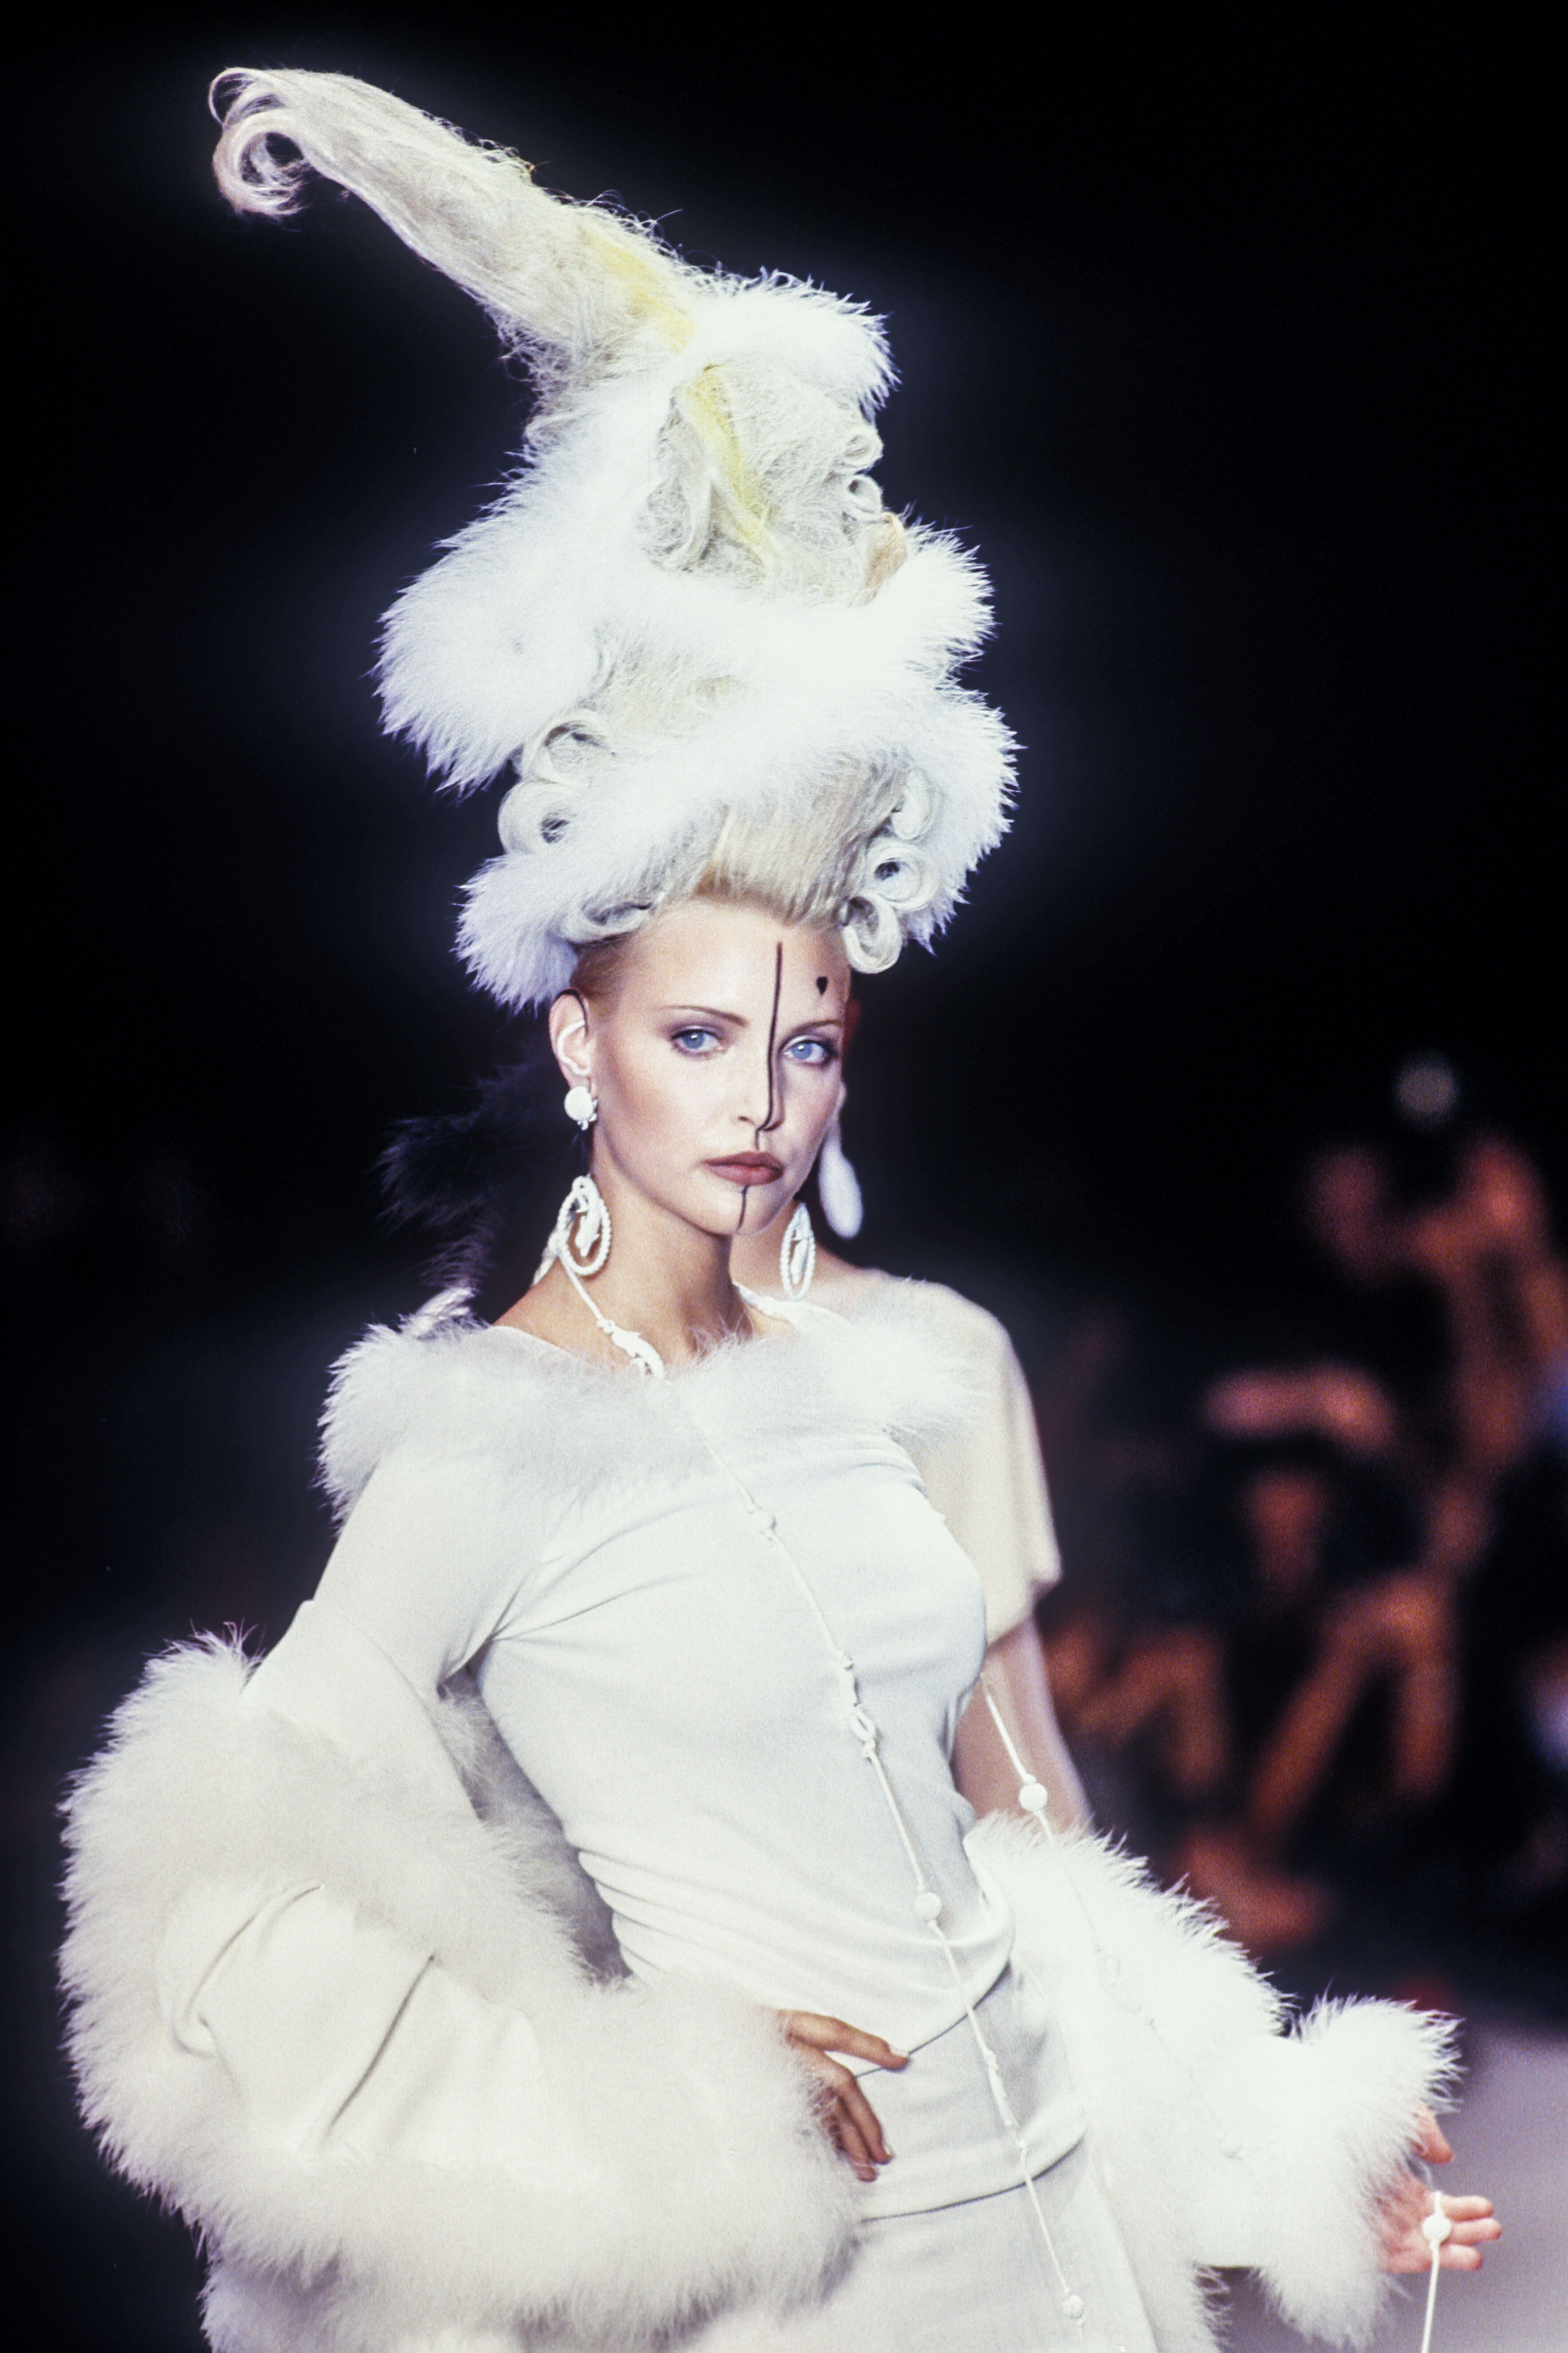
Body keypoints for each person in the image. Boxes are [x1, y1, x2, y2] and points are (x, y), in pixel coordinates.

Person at [61, 69, 1497, 2353]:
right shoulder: (489, 1445)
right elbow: (213, 1919)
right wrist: (634, 2107)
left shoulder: (874, 1380)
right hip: (820, 2290)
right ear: (580, 1041)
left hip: (1072, 2254)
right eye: (700, 1032)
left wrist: (1260, 2143)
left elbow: (1014, 1847)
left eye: (807, 1036)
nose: (760, 1096)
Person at [731, 1161, 1091, 1832]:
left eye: (808, 1054)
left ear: (839, 1104)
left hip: (858, 1876)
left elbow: (1009, 1755)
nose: (759, 1109)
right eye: (695, 1046)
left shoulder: (932, 1353)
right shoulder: (534, 1387)